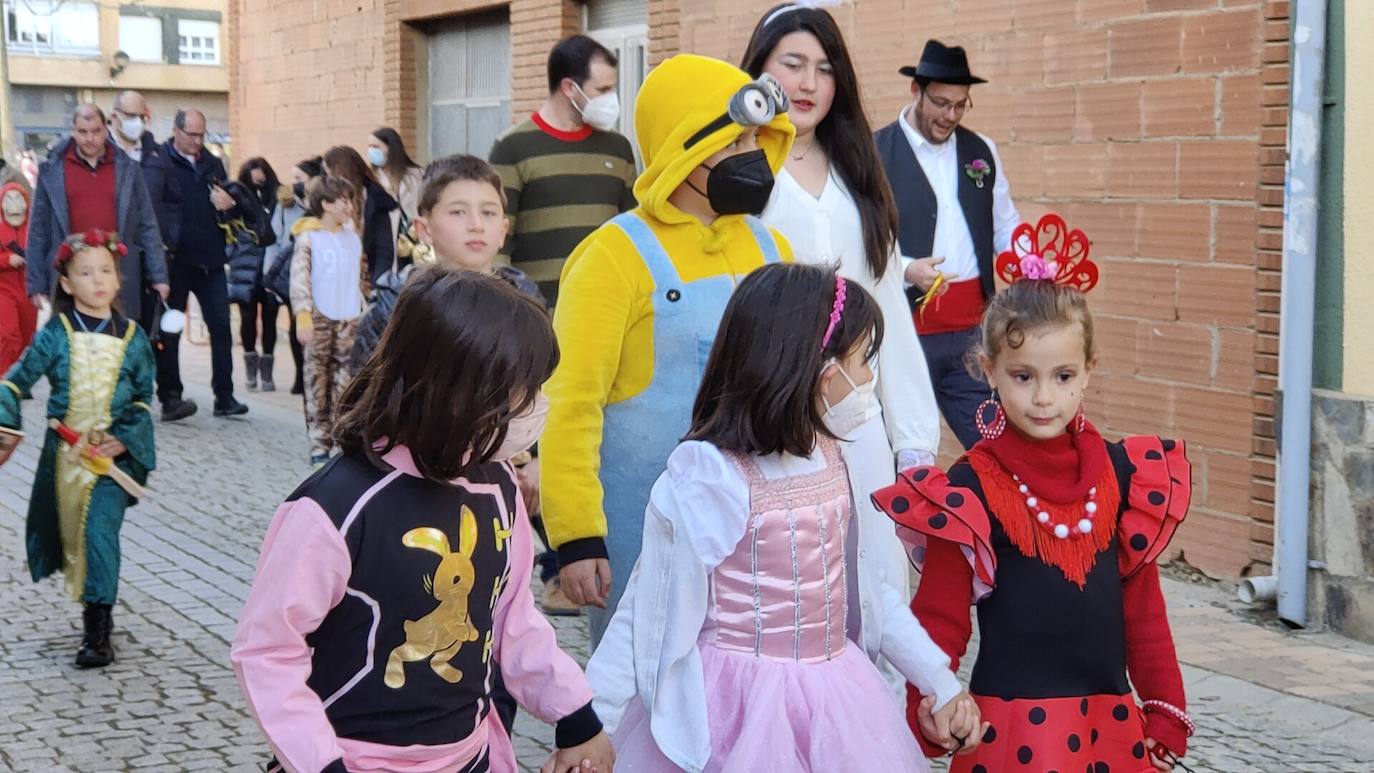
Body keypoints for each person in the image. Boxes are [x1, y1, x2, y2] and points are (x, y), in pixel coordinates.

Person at [587, 263, 981, 771]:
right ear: (814, 370)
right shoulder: (713, 478)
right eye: (864, 361)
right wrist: (591, 719)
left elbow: (867, 587)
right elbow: (650, 609)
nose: (870, 379)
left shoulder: (834, 456)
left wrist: (939, 681)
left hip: (837, 702)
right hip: (733, 711)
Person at [230, 268, 615, 773]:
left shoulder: (498, 485)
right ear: (457, 388)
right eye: (523, 392)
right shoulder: (335, 507)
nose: (537, 408)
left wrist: (576, 717)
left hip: (471, 755)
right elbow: (267, 651)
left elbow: (511, 616)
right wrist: (320, 763)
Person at [871, 214, 1195, 772]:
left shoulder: (1122, 474)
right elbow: (940, 616)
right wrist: (930, 700)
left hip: (1110, 730)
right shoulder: (971, 487)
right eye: (1023, 377)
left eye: (1063, 377)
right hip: (1011, 733)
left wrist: (1164, 711)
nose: (1044, 398)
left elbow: (1143, 610)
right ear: (989, 370)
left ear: (1088, 371)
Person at [540, 54, 795, 643]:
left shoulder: (774, 246)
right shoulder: (611, 257)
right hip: (643, 536)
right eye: (732, 147)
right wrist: (577, 536)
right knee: (638, 703)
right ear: (684, 148)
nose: (750, 158)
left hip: (760, 530)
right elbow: (572, 401)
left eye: (756, 141)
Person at [744, 2, 943, 655]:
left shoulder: (858, 174)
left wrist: (913, 441)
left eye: (824, 69)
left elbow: (888, 309)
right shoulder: (740, 173)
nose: (807, 83)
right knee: (789, 606)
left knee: (876, 592)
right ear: (758, 71)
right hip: (771, 422)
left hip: (859, 424)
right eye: (792, 64)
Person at [0, 230, 157, 668]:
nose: (98, 280)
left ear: (118, 277)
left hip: (112, 460)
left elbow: (145, 396)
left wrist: (125, 434)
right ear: (67, 284)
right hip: (66, 459)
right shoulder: (57, 334)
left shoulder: (134, 337)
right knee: (75, 538)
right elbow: (16, 380)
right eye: (85, 273)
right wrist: (4, 417)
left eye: (106, 270)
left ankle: (98, 629)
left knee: (99, 532)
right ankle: (92, 604)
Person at [874, 40, 1021, 450]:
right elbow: (859, 241)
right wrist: (905, 269)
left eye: (960, 105)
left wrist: (1032, 263)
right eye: (940, 103)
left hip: (970, 339)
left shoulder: (982, 151)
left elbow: (1005, 225)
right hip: (903, 335)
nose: (950, 115)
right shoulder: (872, 153)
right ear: (915, 91)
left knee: (994, 447)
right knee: (903, 453)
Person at [488, 33, 637, 306]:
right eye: (602, 90)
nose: (611, 100)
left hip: (605, 309)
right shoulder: (512, 147)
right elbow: (498, 243)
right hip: (537, 318)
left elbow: (632, 231)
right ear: (569, 88)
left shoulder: (618, 149)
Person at [350, 155, 538, 370]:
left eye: (488, 213)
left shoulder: (525, 303)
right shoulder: (393, 306)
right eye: (458, 212)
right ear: (423, 229)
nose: (476, 225)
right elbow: (366, 391)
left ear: (503, 231)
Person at [25, 105, 170, 346]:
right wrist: (36, 283)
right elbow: (38, 229)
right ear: (73, 131)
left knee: (118, 348)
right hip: (70, 278)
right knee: (72, 350)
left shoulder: (128, 169)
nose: (90, 138)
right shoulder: (52, 170)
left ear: (106, 130)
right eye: (83, 131)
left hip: (117, 275)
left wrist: (159, 276)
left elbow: (147, 224)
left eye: (96, 131)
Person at [159, 108, 249, 419]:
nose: (197, 141)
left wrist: (228, 206)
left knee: (221, 328)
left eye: (202, 135)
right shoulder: (160, 160)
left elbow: (228, 211)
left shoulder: (213, 163)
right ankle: (171, 397)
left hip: (211, 260)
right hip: (176, 261)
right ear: (176, 130)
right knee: (170, 329)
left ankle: (224, 396)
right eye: (191, 134)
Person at [290, 177, 368, 467]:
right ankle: (318, 442)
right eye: (343, 201)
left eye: (350, 200)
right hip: (319, 317)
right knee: (317, 380)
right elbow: (300, 277)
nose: (349, 206)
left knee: (344, 380)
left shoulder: (352, 237)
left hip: (348, 317)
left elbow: (361, 277)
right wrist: (303, 314)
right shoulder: (309, 238)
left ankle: (341, 438)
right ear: (325, 204)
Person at [109, 91, 184, 360]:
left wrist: (169, 238)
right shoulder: (105, 155)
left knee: (154, 329)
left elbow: (174, 201)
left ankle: (166, 393)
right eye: (131, 116)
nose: (137, 122)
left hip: (152, 253)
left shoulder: (156, 155)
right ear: (115, 115)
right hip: (114, 255)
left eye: (142, 116)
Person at [264, 156, 323, 396]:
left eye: (300, 178)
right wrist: (269, 274)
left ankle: (313, 375)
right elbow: (275, 240)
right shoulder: (285, 204)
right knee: (296, 324)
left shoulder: (322, 205)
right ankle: (300, 374)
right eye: (294, 178)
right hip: (293, 274)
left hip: (317, 275)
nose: (295, 183)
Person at [227, 158, 283, 392]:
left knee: (270, 318)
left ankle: (267, 371)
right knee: (247, 317)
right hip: (245, 265)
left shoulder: (277, 200)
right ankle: (251, 368)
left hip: (270, 267)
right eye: (254, 178)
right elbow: (229, 229)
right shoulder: (238, 198)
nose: (259, 182)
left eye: (262, 178)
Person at [322, 145, 398, 283]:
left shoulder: (375, 199)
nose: (328, 179)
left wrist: (378, 285)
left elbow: (383, 250)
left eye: (329, 172)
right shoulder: (327, 200)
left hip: (365, 278)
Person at [1, 183, 36, 372]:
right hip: (4, 290)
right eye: (8, 199)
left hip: (29, 291)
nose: (13, 205)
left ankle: (16, 376)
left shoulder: (35, 231)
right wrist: (7, 259)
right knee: (8, 333)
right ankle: (4, 376)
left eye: (18, 198)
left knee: (26, 336)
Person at [367, 127, 423, 224]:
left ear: (390, 148)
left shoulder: (413, 176)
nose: (371, 151)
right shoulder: (372, 177)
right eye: (369, 146)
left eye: (376, 147)